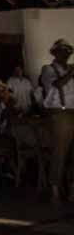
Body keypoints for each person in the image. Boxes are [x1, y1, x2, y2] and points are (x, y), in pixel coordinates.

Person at [41, 39, 74, 201]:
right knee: (60, 151)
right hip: (59, 113)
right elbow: (58, 84)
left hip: (73, 112)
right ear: (55, 52)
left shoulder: (70, 68)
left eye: (69, 50)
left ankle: (72, 188)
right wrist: (71, 73)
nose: (67, 53)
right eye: (63, 50)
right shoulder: (48, 69)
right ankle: (55, 187)